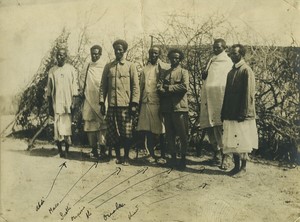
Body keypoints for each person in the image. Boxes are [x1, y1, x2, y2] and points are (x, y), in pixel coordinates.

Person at [99, 39, 140, 165]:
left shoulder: (131, 66)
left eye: (120, 49)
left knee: (126, 133)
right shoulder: (108, 67)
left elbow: (135, 87)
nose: (118, 51)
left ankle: (126, 157)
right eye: (116, 49)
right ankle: (118, 156)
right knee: (113, 133)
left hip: (125, 106)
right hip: (112, 105)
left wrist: (134, 104)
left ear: (124, 51)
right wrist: (101, 102)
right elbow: (103, 86)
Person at [221, 44, 258, 177]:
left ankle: (243, 168)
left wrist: (244, 113)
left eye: (235, 54)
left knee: (243, 141)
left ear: (241, 54)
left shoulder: (246, 70)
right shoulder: (231, 72)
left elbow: (248, 94)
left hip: (242, 114)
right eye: (230, 54)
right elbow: (226, 94)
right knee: (232, 141)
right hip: (230, 113)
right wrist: (223, 112)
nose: (232, 56)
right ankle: (236, 167)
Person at [199, 39, 233, 165]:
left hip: (220, 99)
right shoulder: (211, 60)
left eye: (218, 47)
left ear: (225, 48)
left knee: (220, 127)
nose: (216, 49)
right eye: (214, 47)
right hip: (208, 99)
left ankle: (226, 157)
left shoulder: (227, 62)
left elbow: (226, 82)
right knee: (209, 126)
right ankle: (216, 155)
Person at [157, 48, 189, 169]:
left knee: (182, 135)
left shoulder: (184, 72)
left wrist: (169, 88)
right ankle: (173, 159)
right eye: (172, 57)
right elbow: (159, 87)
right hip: (167, 108)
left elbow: (185, 86)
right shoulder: (165, 72)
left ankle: (183, 159)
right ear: (169, 59)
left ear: (180, 59)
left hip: (179, 108)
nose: (174, 59)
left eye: (176, 58)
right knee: (169, 134)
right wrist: (164, 89)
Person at [137, 46, 169, 163]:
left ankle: (163, 156)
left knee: (161, 130)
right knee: (148, 130)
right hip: (146, 102)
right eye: (151, 53)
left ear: (159, 54)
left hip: (158, 103)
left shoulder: (164, 67)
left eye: (155, 53)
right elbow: (141, 86)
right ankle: (150, 154)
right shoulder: (145, 69)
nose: (153, 55)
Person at [47, 48, 79, 158]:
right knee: (57, 128)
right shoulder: (52, 71)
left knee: (67, 127)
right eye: (58, 55)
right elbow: (49, 89)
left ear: (66, 57)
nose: (60, 57)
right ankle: (60, 151)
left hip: (68, 103)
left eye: (62, 55)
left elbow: (75, 87)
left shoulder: (71, 69)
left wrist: (74, 102)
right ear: (56, 57)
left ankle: (67, 150)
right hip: (57, 104)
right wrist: (50, 106)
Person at [79, 45, 107, 159]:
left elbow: (106, 83)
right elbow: (81, 80)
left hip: (101, 100)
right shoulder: (87, 66)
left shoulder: (105, 66)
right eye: (92, 54)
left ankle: (103, 149)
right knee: (90, 125)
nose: (94, 56)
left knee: (103, 125)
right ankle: (94, 150)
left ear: (100, 54)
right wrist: (84, 91)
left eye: (96, 53)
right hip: (89, 99)